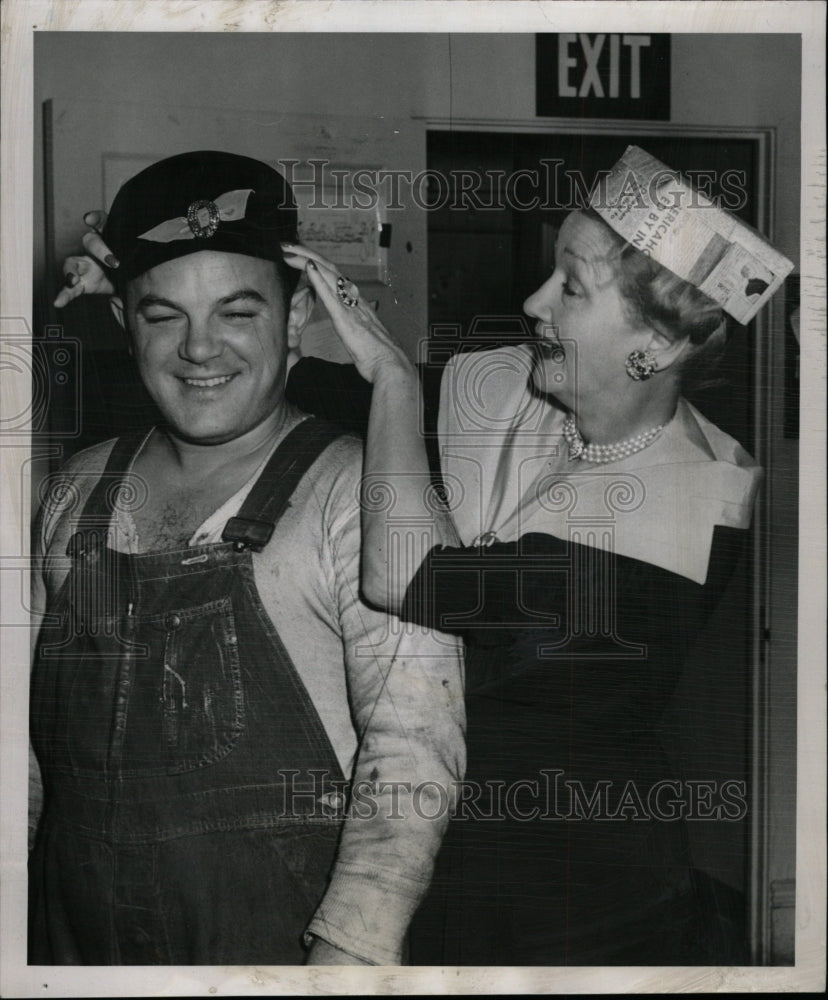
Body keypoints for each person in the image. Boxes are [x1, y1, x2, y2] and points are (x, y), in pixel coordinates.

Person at [56, 145, 794, 965]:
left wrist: (396, 383)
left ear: (651, 347)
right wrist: (150, 289)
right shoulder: (535, 395)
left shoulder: (680, 525)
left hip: (573, 904)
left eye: (571, 288)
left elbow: (403, 573)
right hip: (438, 879)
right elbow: (280, 395)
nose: (532, 300)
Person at [30, 150, 465, 967]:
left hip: (279, 948)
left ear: (296, 315)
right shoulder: (74, 493)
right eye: (163, 316)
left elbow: (413, 757)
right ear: (124, 324)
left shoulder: (360, 494)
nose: (200, 350)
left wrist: (348, 958)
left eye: (237, 312)